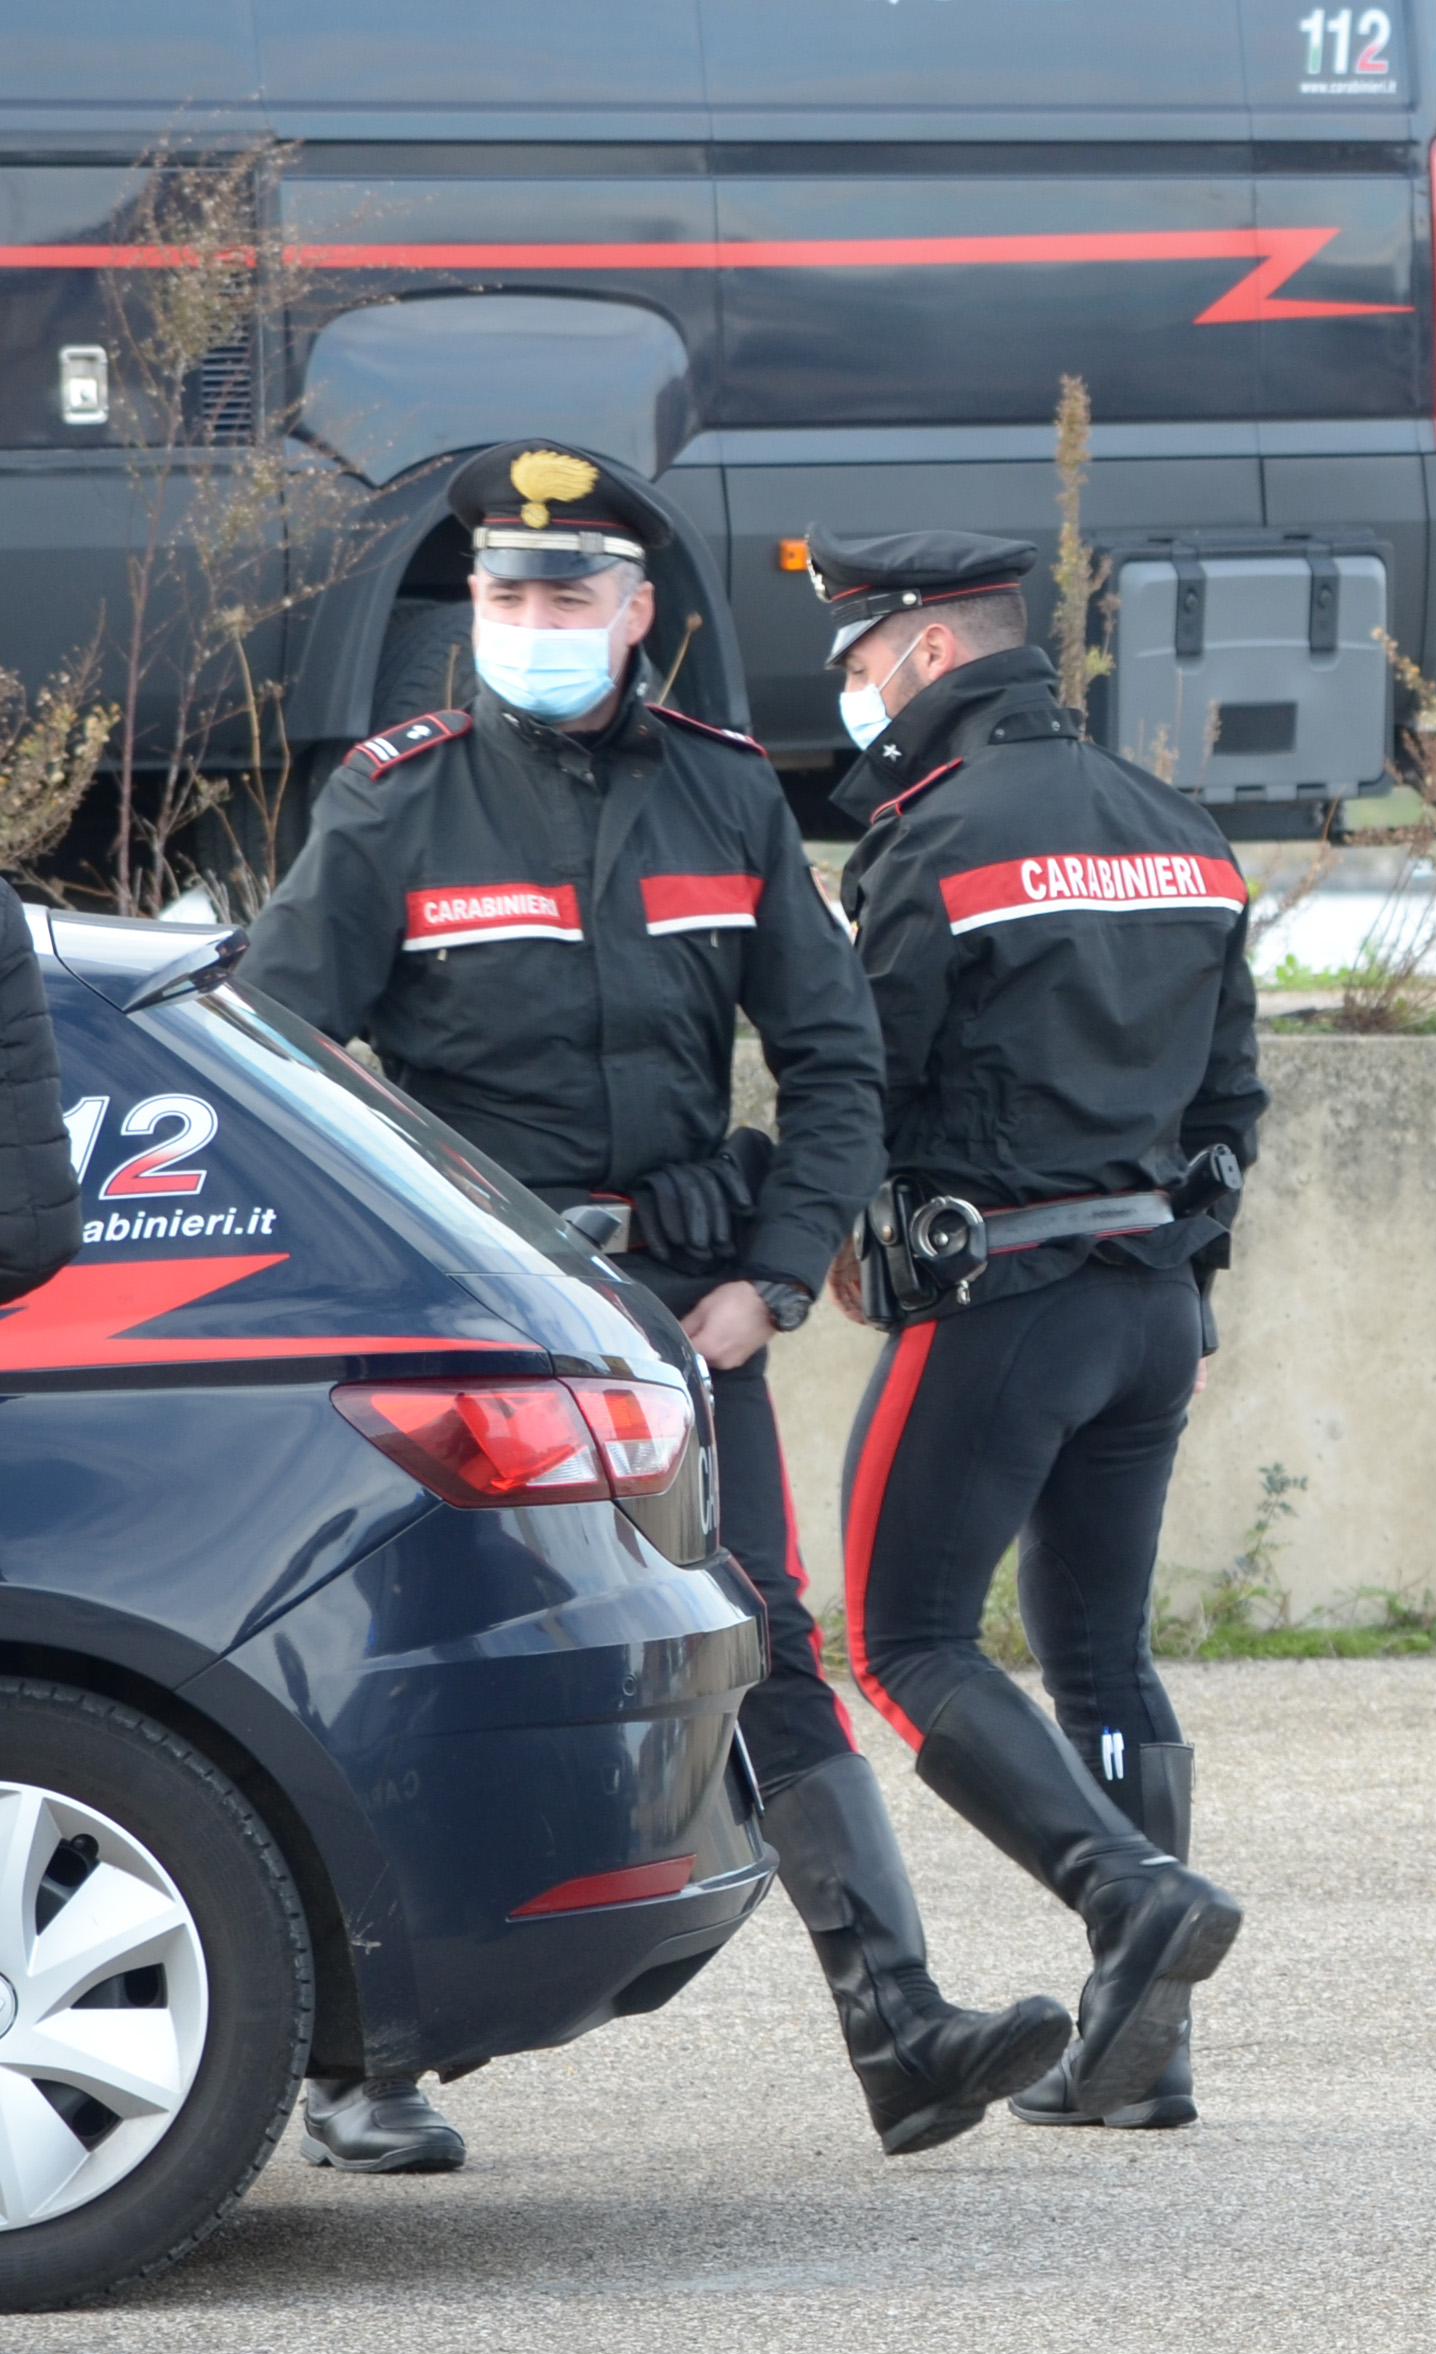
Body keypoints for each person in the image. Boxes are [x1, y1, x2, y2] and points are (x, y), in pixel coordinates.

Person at [246, 444, 1069, 2172]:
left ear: (635, 615)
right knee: (422, 1666)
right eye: (505, 593)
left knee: (764, 1634)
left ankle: (904, 2029)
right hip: (474, 1326)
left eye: (567, 593)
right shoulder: (394, 799)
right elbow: (276, 1061)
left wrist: (774, 1273)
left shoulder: (726, 792)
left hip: (683, 1321)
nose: (532, 619)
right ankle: (360, 2065)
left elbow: (835, 1058)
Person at [815, 525, 1257, 2132]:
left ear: (931, 649)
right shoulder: (1180, 828)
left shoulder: (935, 835)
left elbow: (868, 1075)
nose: (857, 692)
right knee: (1102, 1658)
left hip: (1002, 1300)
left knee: (903, 1639)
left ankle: (1126, 1893)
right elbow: (1232, 1102)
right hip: (1152, 1304)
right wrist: (1189, 1273)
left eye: (863, 661)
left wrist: (820, 1235)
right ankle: (1148, 2050)